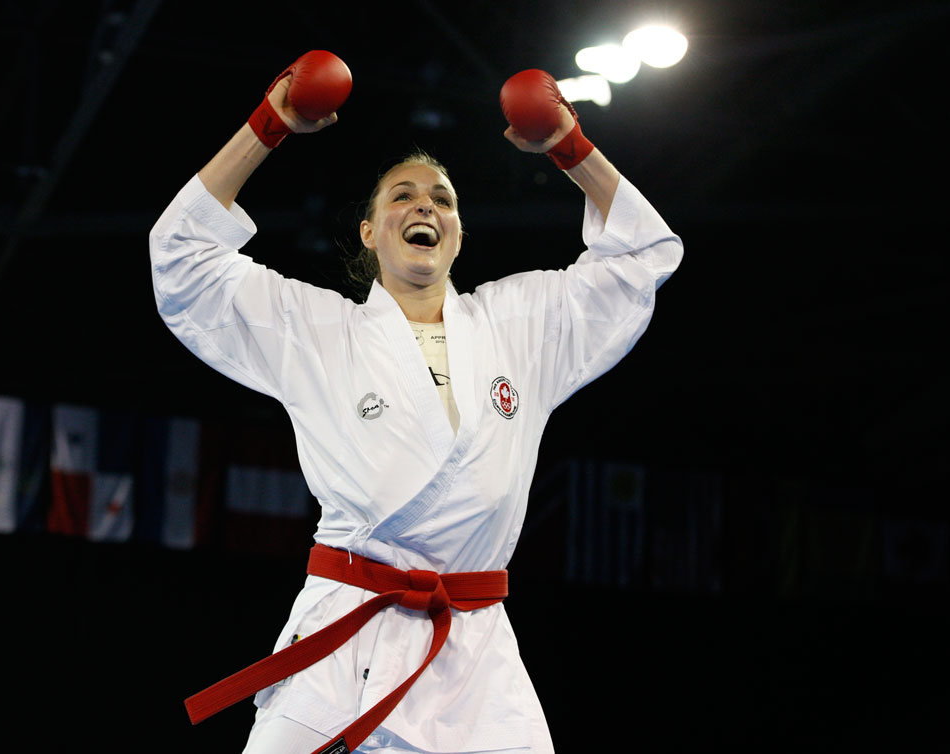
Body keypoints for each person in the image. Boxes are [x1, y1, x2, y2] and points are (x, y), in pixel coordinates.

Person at [149, 52, 683, 754]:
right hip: (344, 639)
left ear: (458, 235)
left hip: (474, 659)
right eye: (401, 195)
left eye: (442, 199)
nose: (424, 204)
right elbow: (182, 258)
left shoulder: (521, 324)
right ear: (370, 234)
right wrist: (267, 124)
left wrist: (570, 148)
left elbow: (641, 256)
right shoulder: (319, 330)